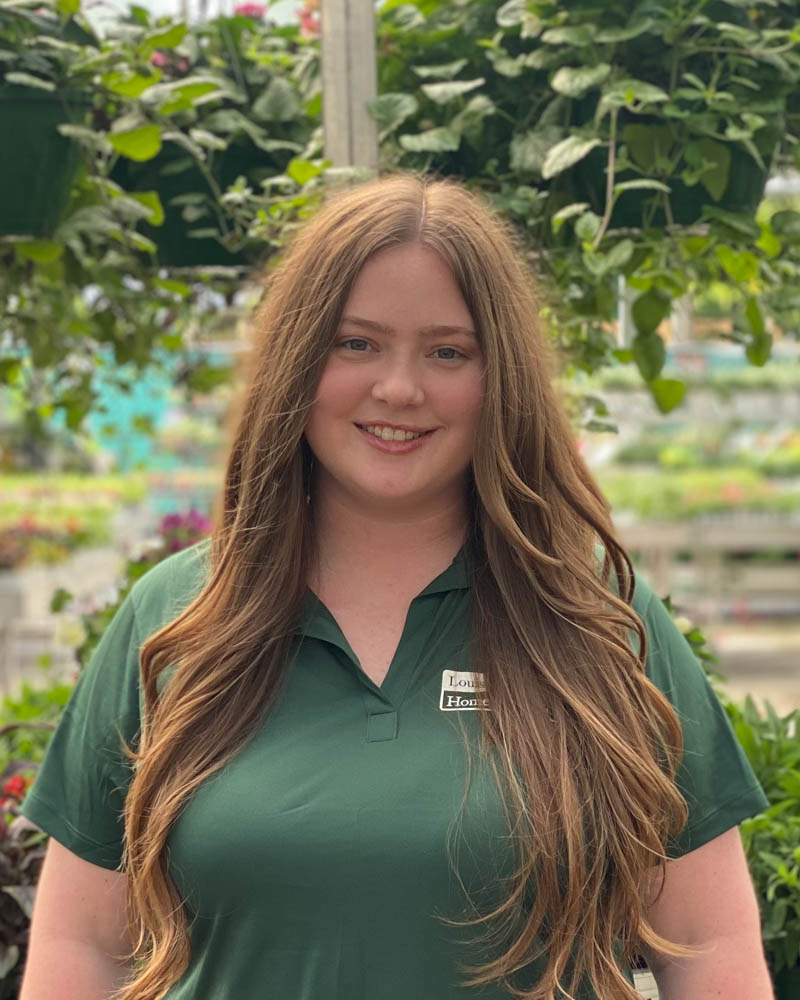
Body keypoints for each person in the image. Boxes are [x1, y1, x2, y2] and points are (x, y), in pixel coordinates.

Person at [19, 172, 773, 1000]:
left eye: (447, 351)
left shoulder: (595, 618)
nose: (399, 388)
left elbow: (710, 945)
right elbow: (82, 943)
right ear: (298, 362)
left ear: (501, 380)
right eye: (356, 344)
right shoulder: (179, 617)